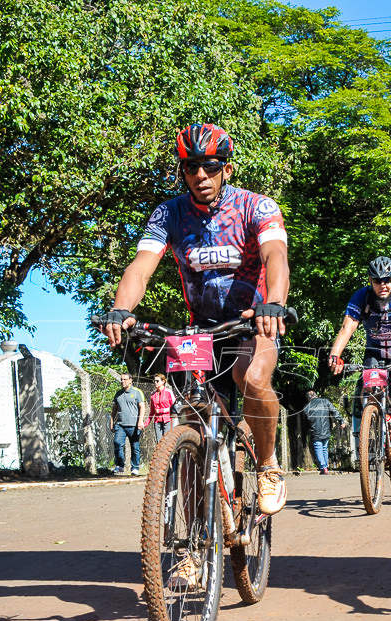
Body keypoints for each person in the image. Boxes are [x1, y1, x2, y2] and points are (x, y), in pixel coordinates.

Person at [99, 123, 290, 515]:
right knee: (194, 426)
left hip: (253, 320)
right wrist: (122, 309)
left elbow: (276, 257)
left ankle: (268, 465)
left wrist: (274, 303)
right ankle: (191, 549)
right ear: (182, 172)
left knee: (250, 378)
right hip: (200, 329)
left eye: (210, 166)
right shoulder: (169, 214)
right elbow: (141, 267)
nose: (200, 175)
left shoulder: (258, 207)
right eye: (190, 168)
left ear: (227, 169)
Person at [328, 256, 391, 487]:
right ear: (370, 281)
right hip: (374, 356)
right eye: (377, 280)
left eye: (388, 280)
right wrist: (335, 355)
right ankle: (374, 435)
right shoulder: (361, 298)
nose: (383, 285)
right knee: (370, 397)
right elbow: (347, 328)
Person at [110, 373, 148, 475]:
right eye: (121, 380)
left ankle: (135, 467)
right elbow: (114, 410)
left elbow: (142, 407)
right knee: (117, 443)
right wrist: (112, 422)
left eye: (125, 379)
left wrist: (140, 421)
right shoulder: (118, 394)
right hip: (120, 425)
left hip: (134, 425)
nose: (123, 381)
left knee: (135, 447)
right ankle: (120, 466)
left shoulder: (137, 392)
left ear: (130, 380)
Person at [303, 389, 346, 474]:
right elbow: (334, 411)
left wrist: (307, 432)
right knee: (324, 448)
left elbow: (305, 422)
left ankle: (323, 467)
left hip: (315, 431)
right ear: (316, 395)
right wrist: (341, 421)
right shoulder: (325, 402)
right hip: (326, 430)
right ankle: (325, 466)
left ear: (308, 398)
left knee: (318, 448)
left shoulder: (306, 407)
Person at [148, 373, 177, 442]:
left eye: (157, 381)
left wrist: (162, 411)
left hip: (167, 420)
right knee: (158, 441)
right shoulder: (153, 395)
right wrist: (145, 423)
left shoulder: (169, 392)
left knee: (166, 441)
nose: (155, 383)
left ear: (163, 381)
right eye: (154, 381)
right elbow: (152, 411)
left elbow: (174, 407)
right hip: (157, 421)